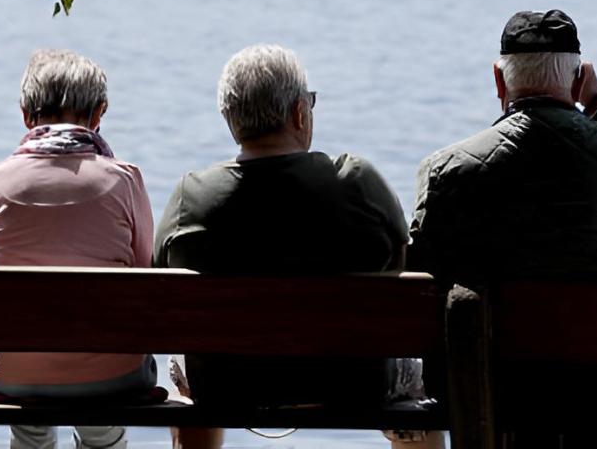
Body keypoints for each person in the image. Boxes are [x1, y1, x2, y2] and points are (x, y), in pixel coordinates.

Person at [410, 10, 597, 449]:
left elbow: (424, 271)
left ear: (499, 80)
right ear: (577, 77)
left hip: (494, 385)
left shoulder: (446, 172)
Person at [155, 45, 428, 449]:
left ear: (231, 119)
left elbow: (160, 284)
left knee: (184, 365)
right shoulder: (355, 180)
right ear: (300, 112)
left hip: (226, 386)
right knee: (414, 377)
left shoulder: (191, 196)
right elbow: (407, 269)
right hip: (354, 383)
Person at [0, 49, 156, 449]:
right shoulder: (126, 181)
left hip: (16, 377)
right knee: (101, 376)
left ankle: (33, 438)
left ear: (25, 114)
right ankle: (101, 439)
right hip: (113, 377)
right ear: (99, 114)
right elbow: (145, 276)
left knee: (18, 359)